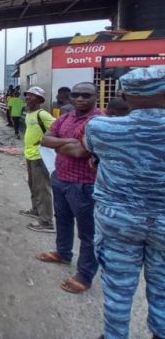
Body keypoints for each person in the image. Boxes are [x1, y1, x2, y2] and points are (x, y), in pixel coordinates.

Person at [85, 67, 165, 339]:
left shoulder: (101, 127)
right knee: (163, 286)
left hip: (118, 219)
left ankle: (114, 335)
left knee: (118, 286)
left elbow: (91, 150)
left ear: (125, 95)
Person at [36, 82, 102, 294]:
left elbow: (81, 152)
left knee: (87, 232)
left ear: (96, 97)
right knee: (62, 219)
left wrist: (61, 143)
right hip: (60, 177)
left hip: (84, 184)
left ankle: (84, 275)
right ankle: (63, 253)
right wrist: (72, 142)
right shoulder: (66, 117)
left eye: (86, 95)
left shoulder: (99, 121)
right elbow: (44, 139)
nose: (80, 99)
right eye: (76, 95)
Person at [20, 86, 56, 233]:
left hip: (39, 156)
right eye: (27, 95)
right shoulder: (30, 114)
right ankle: (36, 209)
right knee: (33, 185)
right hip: (30, 154)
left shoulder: (42, 114)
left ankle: (46, 221)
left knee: (42, 188)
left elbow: (58, 127)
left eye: (32, 96)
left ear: (40, 99)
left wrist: (43, 139)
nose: (28, 98)